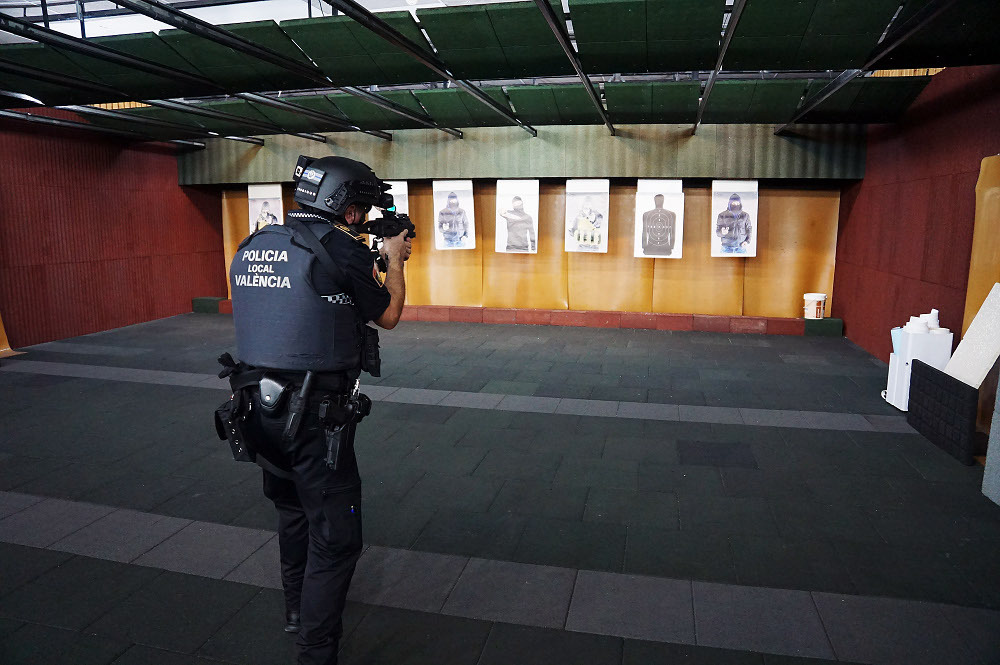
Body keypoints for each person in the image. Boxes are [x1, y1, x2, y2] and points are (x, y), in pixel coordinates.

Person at [226, 156, 411, 665]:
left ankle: (296, 611)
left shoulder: (255, 243)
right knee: (337, 539)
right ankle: (315, 652)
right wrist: (394, 259)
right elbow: (389, 314)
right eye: (359, 209)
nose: (360, 217)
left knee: (292, 513)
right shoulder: (341, 248)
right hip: (314, 418)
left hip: (256, 409)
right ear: (347, 210)